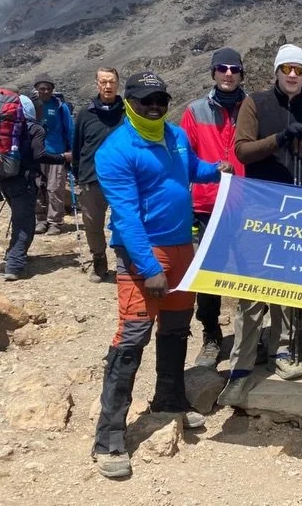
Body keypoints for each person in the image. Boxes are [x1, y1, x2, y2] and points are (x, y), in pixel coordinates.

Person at [91, 71, 233, 479]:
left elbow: (190, 169)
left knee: (174, 328)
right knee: (132, 337)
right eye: (146, 99)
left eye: (161, 99)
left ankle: (170, 401)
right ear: (129, 102)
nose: (154, 106)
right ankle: (109, 437)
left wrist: (218, 170)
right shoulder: (116, 149)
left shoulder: (173, 136)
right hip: (145, 254)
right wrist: (149, 268)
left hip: (182, 247)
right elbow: (127, 216)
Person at [217, 44, 302, 405]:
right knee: (252, 292)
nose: (293, 75)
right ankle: (240, 368)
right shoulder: (257, 103)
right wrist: (280, 139)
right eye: (287, 69)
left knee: (288, 286)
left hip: (296, 211)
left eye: (299, 69)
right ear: (277, 72)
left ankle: (281, 352)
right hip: (259, 209)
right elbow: (243, 151)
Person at [180, 48, 248, 367]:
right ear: (213, 73)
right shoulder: (194, 112)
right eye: (222, 68)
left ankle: (250, 336)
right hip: (207, 204)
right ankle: (210, 333)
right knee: (209, 273)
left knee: (251, 272)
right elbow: (185, 159)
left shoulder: (253, 108)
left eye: (235, 68)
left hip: (247, 204)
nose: (229, 73)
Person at [0, 93, 71, 280]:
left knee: (18, 215)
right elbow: (40, 155)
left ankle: (12, 253)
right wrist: (63, 158)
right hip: (24, 180)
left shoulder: (8, 128)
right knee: (24, 221)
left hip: (4, 178)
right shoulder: (35, 128)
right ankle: (15, 265)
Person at [72, 67, 126, 282]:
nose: (107, 86)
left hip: (122, 178)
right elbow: (77, 146)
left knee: (125, 220)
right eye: (103, 82)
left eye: (111, 81)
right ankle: (99, 259)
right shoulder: (86, 113)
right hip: (91, 177)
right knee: (93, 223)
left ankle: (125, 261)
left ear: (117, 84)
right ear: (97, 84)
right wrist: (78, 174)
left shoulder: (127, 112)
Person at [32, 73, 74, 235]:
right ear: (36, 89)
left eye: (49, 88)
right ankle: (40, 219)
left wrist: (71, 151)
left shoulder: (59, 106)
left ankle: (55, 222)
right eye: (42, 88)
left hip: (57, 153)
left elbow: (69, 129)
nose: (46, 91)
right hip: (36, 154)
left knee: (55, 187)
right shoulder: (31, 105)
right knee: (37, 187)